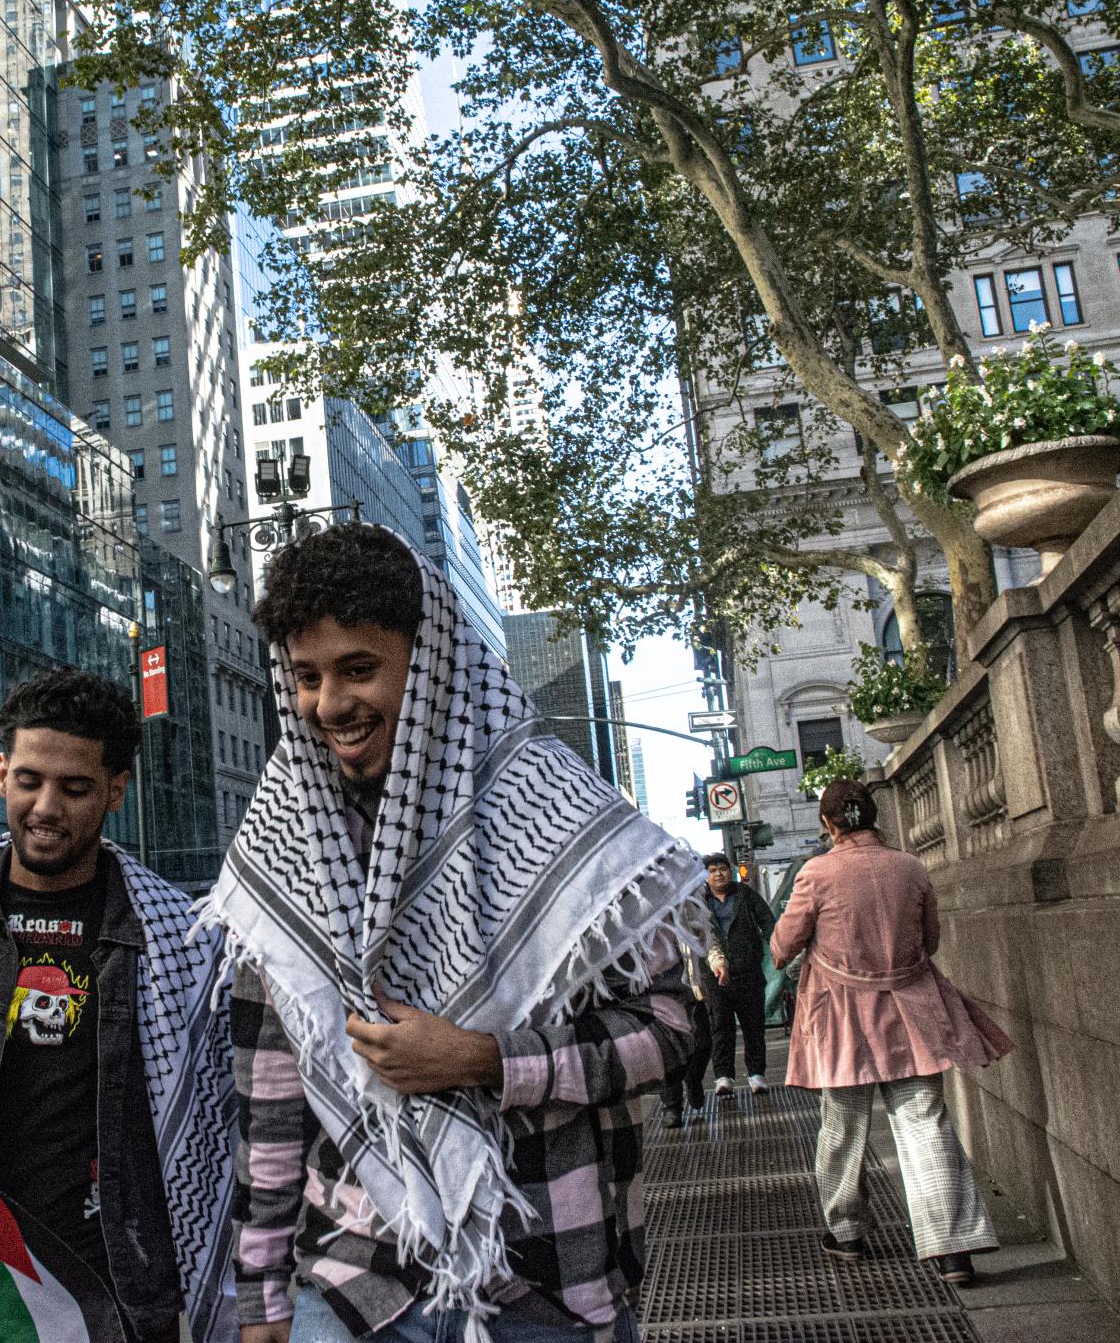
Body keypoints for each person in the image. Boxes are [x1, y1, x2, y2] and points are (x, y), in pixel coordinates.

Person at [213, 523, 702, 1343]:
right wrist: (260, 1297)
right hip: (351, 1285)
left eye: (359, 669)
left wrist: (481, 1060)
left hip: (544, 1274)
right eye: (307, 677)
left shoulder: (557, 815)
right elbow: (270, 1096)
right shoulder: (282, 842)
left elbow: (674, 1028)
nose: (330, 705)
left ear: (429, 661)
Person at [0, 668, 237, 1343]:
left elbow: (222, 1113)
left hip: (119, 1286)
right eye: (29, 779)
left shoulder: (179, 940)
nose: (46, 806)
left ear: (117, 790)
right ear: (1, 773)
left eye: (75, 787)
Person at [770, 779, 1013, 1286]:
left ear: (828, 823)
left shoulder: (816, 873)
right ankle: (952, 1250)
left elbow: (784, 943)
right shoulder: (910, 866)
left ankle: (848, 1234)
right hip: (913, 1013)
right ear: (873, 817)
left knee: (842, 1125)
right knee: (926, 1123)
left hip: (839, 1020)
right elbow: (931, 940)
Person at [698, 851, 777, 1095]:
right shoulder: (699, 901)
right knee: (720, 1026)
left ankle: (756, 1074)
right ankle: (723, 1076)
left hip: (748, 971)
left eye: (722, 868)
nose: (718, 874)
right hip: (714, 974)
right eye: (712, 870)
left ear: (730, 871)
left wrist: (774, 944)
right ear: (705, 875)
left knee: (753, 1025)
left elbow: (767, 920)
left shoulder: (744, 894)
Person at [658, 896, 726, 1129]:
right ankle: (672, 1106)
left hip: (692, 992)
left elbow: (709, 940)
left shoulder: (689, 908)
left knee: (703, 1044)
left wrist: (717, 961)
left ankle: (694, 1079)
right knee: (666, 1052)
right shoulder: (647, 916)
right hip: (661, 996)